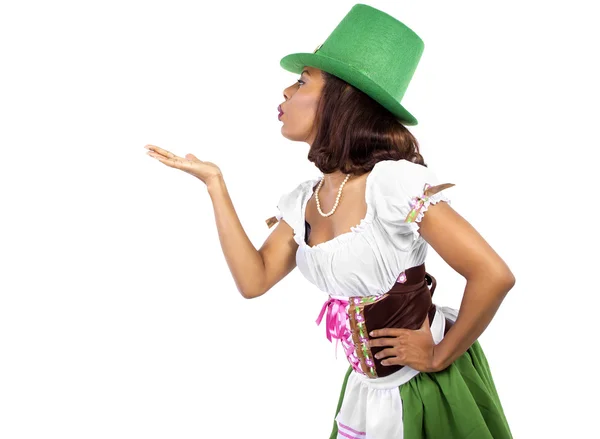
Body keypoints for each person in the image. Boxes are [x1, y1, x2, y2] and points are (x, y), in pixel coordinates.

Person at [144, 3, 515, 438]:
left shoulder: (393, 183)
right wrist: (215, 185)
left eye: (302, 81)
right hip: (365, 392)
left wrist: (438, 356)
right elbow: (254, 280)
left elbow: (493, 274)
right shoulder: (305, 200)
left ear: (343, 100)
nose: (285, 92)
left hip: (425, 388)